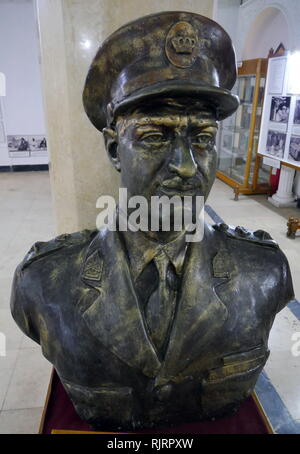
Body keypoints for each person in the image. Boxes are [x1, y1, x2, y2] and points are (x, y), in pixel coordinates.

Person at [10, 12, 294, 430]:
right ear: (113, 151)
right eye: (155, 137)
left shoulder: (265, 272)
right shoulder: (45, 283)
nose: (184, 166)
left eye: (202, 138)